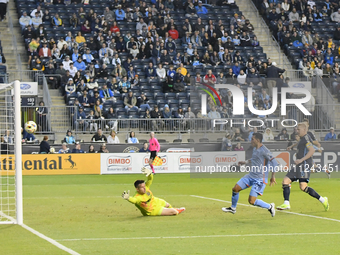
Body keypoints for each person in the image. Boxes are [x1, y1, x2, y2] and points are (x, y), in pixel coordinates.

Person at [222, 133, 277, 217]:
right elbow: (255, 159)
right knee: (235, 189)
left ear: (257, 140)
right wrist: (245, 162)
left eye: (252, 139)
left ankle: (270, 206)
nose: (251, 141)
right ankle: (233, 208)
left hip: (259, 179)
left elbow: (274, 162)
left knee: (252, 201)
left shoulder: (265, 151)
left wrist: (273, 176)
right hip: (251, 175)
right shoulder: (255, 149)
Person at [277, 123, 329, 211]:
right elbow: (300, 144)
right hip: (298, 165)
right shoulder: (302, 139)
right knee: (285, 181)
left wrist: (301, 160)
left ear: (304, 130)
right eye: (297, 130)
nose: (297, 131)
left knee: (303, 187)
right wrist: (292, 147)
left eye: (299, 130)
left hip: (304, 165)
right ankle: (286, 203)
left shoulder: (306, 138)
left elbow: (311, 150)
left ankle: (323, 200)